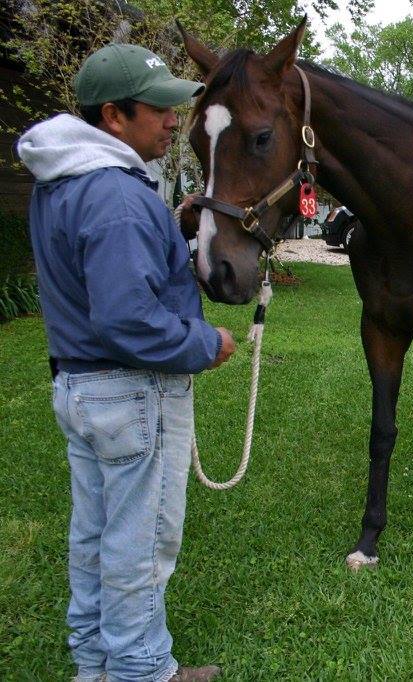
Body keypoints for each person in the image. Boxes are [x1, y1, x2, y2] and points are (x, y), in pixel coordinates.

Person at [17, 44, 235, 682]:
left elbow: (103, 276)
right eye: (161, 106)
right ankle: (142, 671)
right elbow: (126, 320)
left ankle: (96, 662)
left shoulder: (67, 178)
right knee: (140, 546)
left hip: (83, 390)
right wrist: (206, 344)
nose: (175, 118)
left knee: (96, 537)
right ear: (114, 115)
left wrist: (170, 225)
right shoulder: (115, 194)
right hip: (132, 395)